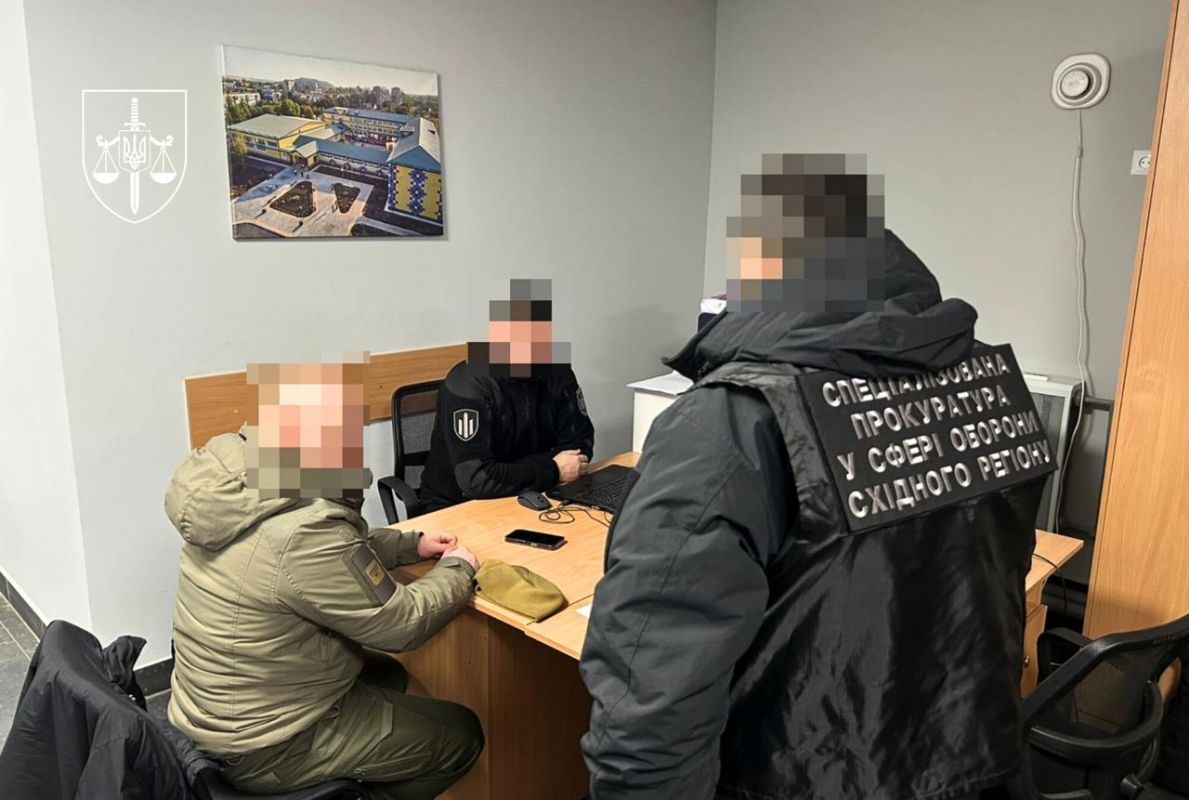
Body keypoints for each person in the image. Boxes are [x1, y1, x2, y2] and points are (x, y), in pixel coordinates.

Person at [580, 154, 1054, 800]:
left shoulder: (726, 421)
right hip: (971, 761)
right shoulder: (988, 386)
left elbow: (652, 699)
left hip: (796, 772)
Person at [165, 359, 483, 800]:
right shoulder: (302, 531)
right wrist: (459, 569)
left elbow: (333, 553)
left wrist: (411, 545)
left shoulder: (239, 491)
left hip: (213, 711)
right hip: (265, 747)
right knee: (461, 735)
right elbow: (401, 624)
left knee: (387, 674)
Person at [419, 278, 595, 512]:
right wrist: (552, 469)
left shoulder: (558, 372)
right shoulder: (468, 385)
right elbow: (477, 479)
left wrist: (524, 473)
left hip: (536, 493)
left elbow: (579, 447)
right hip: (457, 505)